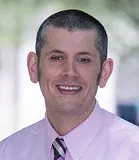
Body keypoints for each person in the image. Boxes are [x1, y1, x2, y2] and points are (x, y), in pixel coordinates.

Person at [0, 9, 139, 160]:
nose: (70, 71)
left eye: (83, 60)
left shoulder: (134, 150)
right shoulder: (8, 152)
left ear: (105, 72)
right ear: (33, 67)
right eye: (57, 57)